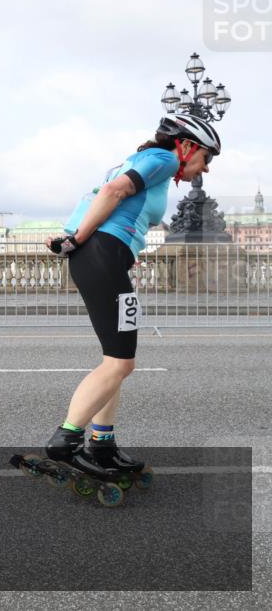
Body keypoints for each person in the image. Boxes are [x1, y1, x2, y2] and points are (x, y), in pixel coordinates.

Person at [44, 113, 221, 477]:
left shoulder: (144, 162)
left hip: (104, 257)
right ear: (187, 146)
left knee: (116, 362)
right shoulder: (164, 158)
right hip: (101, 255)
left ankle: (103, 444)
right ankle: (66, 440)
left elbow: (98, 196)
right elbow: (111, 193)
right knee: (121, 363)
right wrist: (79, 240)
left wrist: (75, 238)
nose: (206, 168)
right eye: (207, 157)